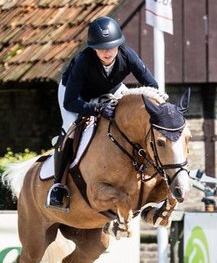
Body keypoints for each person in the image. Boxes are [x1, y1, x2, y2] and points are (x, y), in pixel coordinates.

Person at [46, 16, 159, 211]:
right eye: (101, 48)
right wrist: (96, 109)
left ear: (119, 45)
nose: (107, 52)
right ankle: (59, 185)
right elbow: (70, 102)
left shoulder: (128, 55)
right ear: (93, 48)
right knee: (70, 130)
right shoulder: (83, 62)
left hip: (111, 89)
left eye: (112, 47)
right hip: (77, 96)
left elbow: (152, 86)